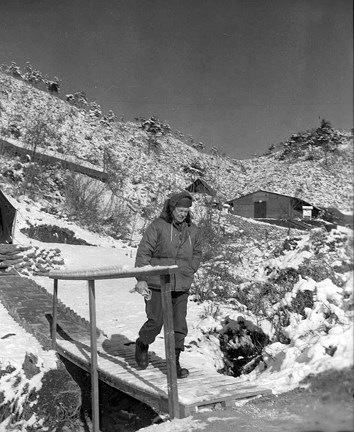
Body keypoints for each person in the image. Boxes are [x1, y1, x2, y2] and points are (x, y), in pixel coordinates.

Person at [134, 191, 202, 378]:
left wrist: (191, 267)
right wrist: (141, 278)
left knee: (179, 324)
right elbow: (143, 252)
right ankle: (142, 343)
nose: (183, 214)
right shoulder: (158, 226)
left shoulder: (193, 230)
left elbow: (197, 251)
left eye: (186, 211)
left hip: (181, 283)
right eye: (180, 210)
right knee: (156, 321)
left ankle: (174, 363)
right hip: (157, 282)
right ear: (171, 209)